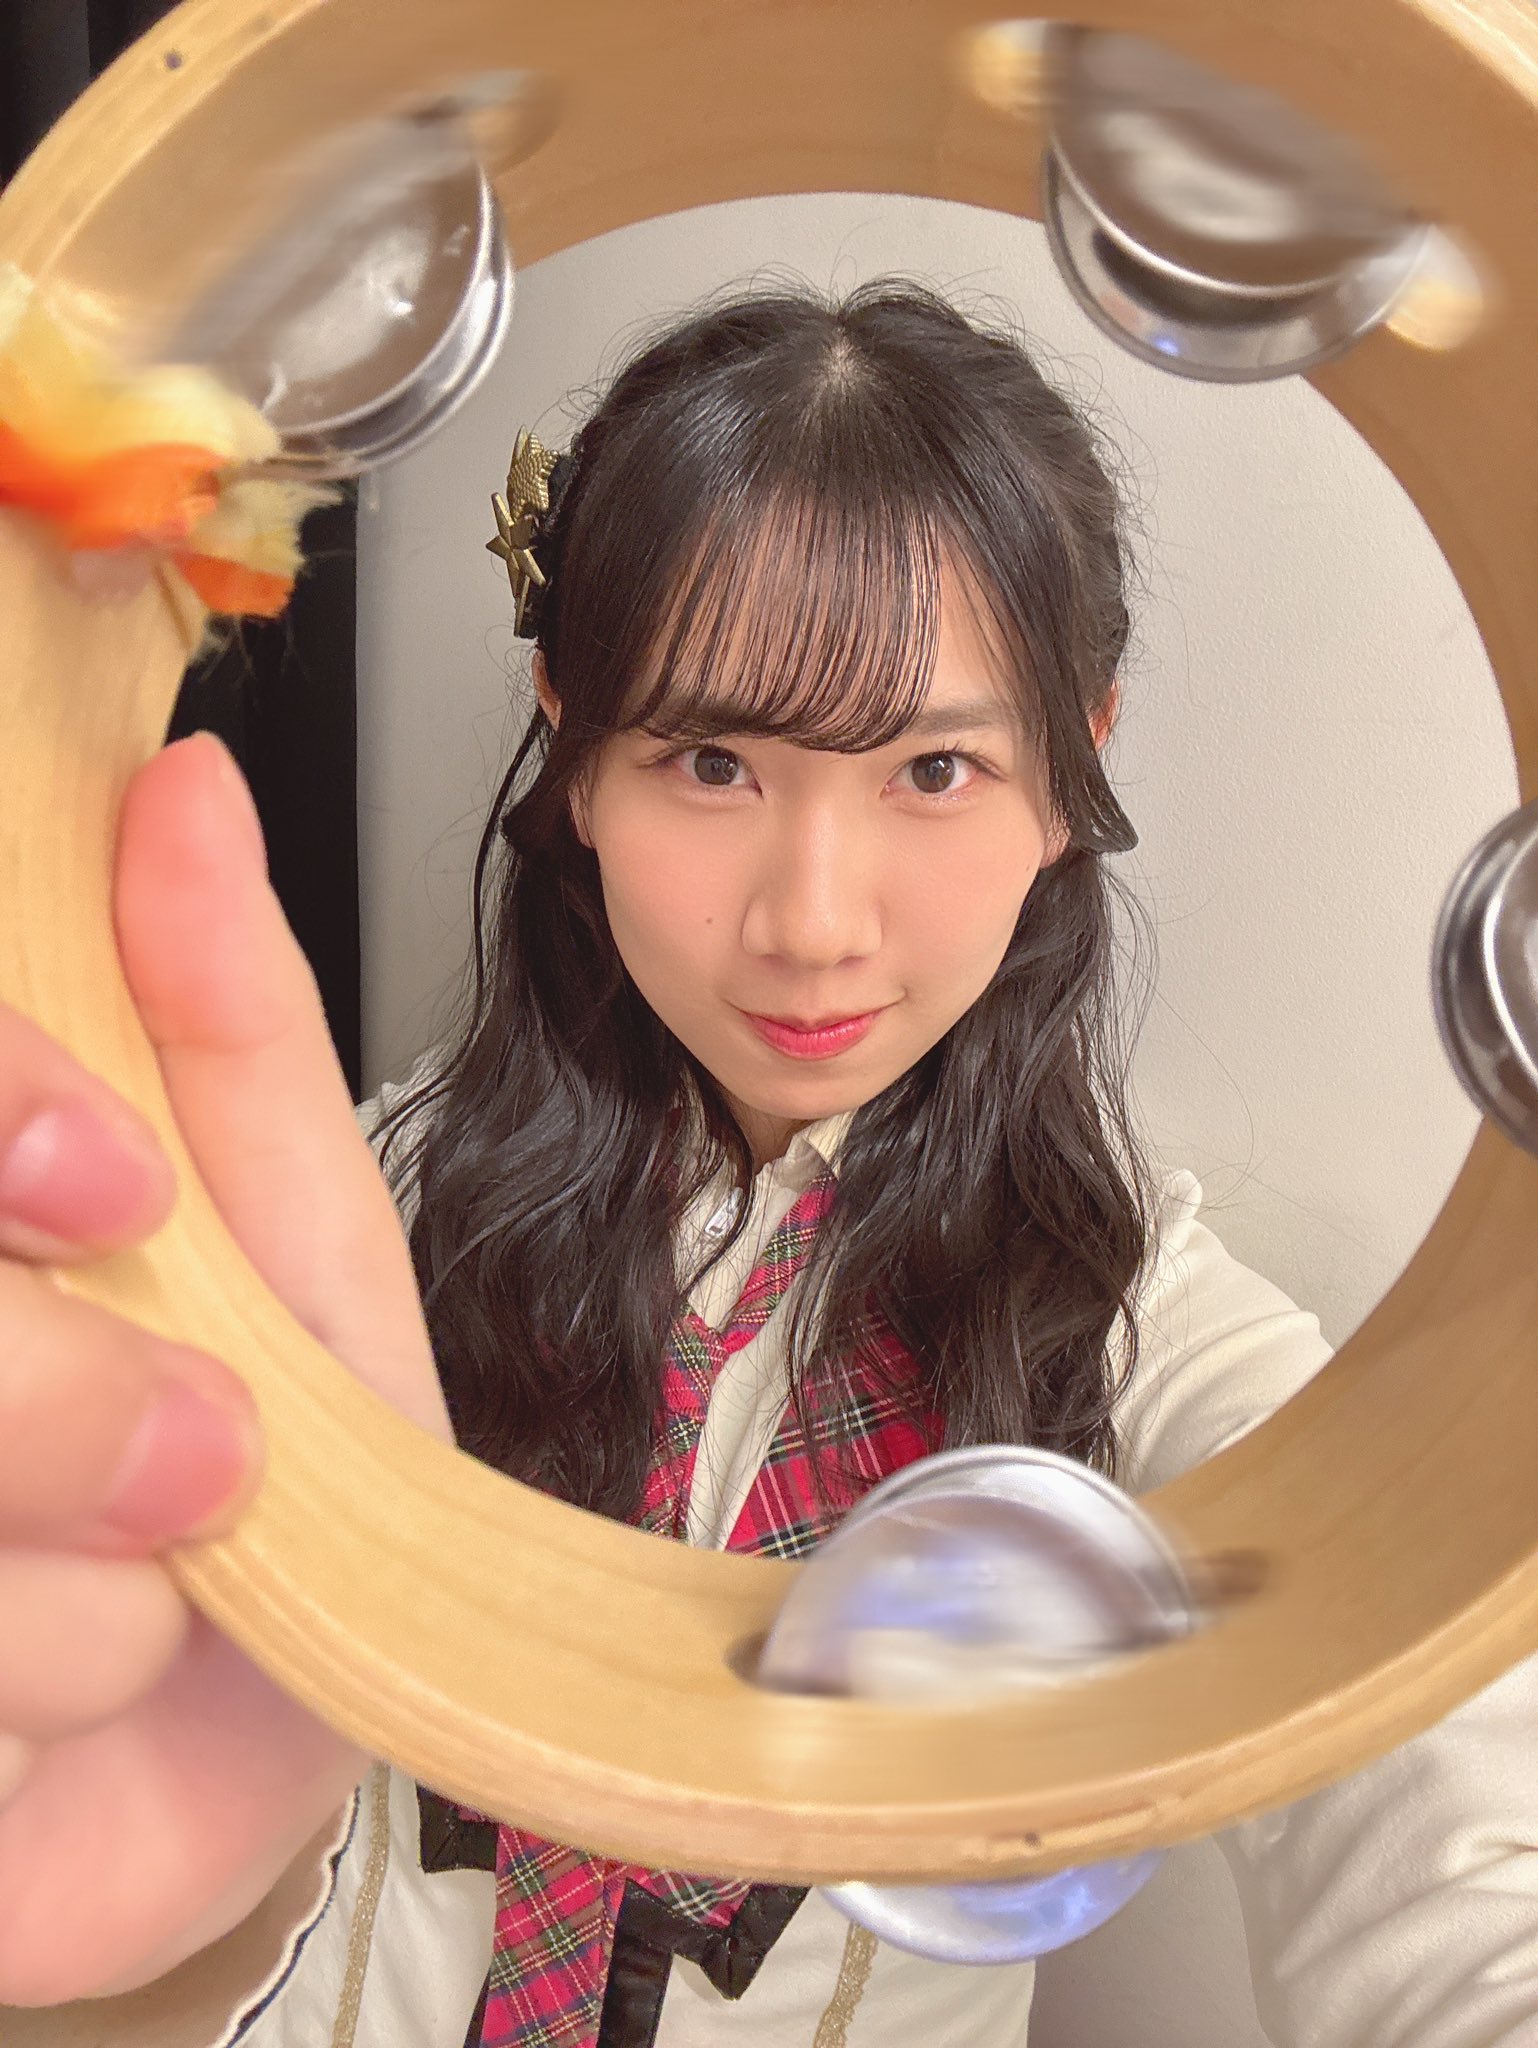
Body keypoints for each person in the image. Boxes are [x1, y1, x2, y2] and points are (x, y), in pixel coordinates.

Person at [2, 281, 1536, 2048]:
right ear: (574, 752)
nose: (812, 924)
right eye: (712, 761)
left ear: (1070, 773)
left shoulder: (1143, 1349)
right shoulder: (355, 1219)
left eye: (934, 769)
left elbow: (1448, 1817)